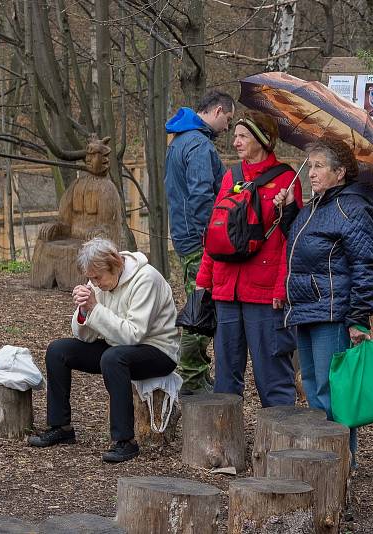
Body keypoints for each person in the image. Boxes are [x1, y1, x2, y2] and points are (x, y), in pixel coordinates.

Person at [274, 138, 373, 463]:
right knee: (312, 386)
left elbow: (365, 266)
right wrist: (290, 208)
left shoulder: (353, 208)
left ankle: (340, 464)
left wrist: (359, 318)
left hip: (332, 313)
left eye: (319, 166)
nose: (312, 173)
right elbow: (301, 245)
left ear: (340, 172)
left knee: (331, 391)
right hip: (305, 309)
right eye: (311, 165)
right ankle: (322, 460)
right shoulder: (316, 206)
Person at [28, 238, 179, 463]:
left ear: (116, 264)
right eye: (90, 278)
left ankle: (125, 441)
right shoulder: (98, 280)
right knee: (58, 350)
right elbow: (85, 336)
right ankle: (61, 427)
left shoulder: (146, 278)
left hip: (158, 350)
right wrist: (82, 311)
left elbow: (133, 334)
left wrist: (95, 309)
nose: (94, 283)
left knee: (112, 358)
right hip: (118, 346)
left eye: (97, 278)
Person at [195, 111, 302, 406]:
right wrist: (204, 281)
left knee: (272, 375)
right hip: (226, 290)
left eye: (243, 136)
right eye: (236, 134)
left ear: (262, 140)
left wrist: (282, 289)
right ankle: (221, 447)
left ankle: (281, 445)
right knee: (226, 377)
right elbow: (215, 232)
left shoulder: (286, 179)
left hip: (265, 293)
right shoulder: (232, 176)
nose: (236, 140)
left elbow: (289, 242)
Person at [164, 89, 235, 394]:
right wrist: (213, 237)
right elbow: (202, 195)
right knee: (200, 307)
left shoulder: (180, 140)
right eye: (229, 120)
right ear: (218, 111)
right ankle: (192, 377)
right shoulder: (198, 145)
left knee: (199, 302)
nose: (229, 128)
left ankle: (197, 372)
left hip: (185, 235)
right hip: (199, 241)